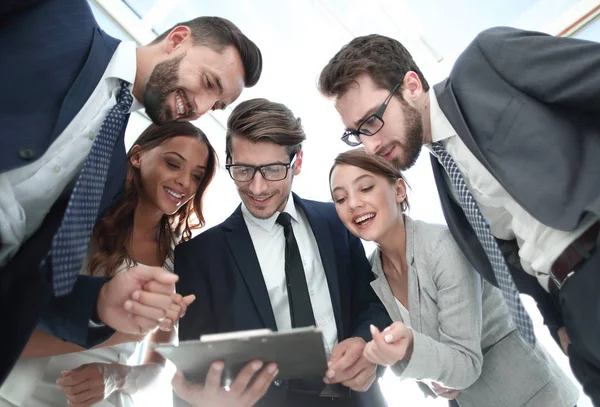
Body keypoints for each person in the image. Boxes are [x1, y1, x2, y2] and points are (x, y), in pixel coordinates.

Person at [318, 29, 600, 402]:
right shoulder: (448, 180)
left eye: (372, 121)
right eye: (356, 134)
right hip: (574, 312)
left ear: (412, 86)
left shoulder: (487, 63)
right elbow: (515, 252)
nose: (370, 144)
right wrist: (559, 321)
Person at [0, 0, 262, 385]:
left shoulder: (107, 174)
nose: (202, 107)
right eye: (208, 83)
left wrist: (100, 304)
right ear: (177, 39)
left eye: (217, 104)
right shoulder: (59, 13)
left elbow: (29, 287)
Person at [175, 98, 391, 407]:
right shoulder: (198, 256)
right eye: (243, 170)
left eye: (273, 169)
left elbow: (373, 301)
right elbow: (194, 371)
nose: (258, 188)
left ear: (297, 162)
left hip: (356, 397)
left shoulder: (337, 221)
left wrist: (366, 345)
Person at [329, 148, 579, 407]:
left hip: (533, 398)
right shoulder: (373, 272)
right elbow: (434, 359)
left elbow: (465, 364)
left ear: (399, 190)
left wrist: (411, 350)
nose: (353, 203)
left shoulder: (441, 246)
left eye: (366, 188)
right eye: (340, 198)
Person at [0, 121, 217, 406]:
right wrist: (118, 333)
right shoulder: (82, 216)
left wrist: (115, 376)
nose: (184, 182)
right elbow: (15, 321)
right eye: (173, 164)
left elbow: (161, 361)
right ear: (137, 156)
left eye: (197, 177)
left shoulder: (180, 258)